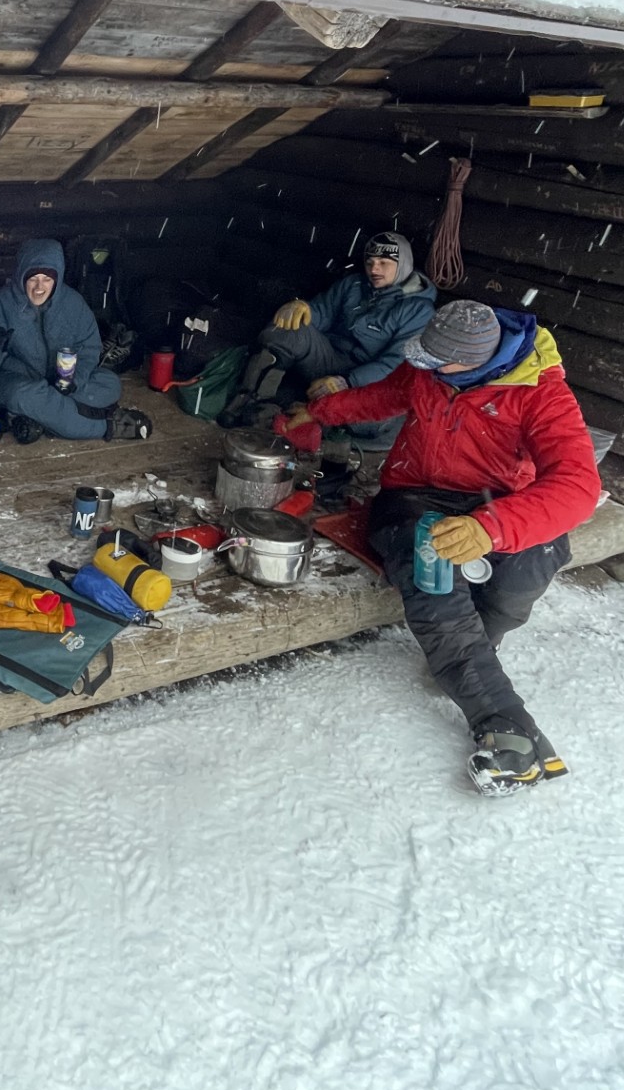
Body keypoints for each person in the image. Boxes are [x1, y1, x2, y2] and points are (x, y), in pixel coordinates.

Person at [278, 300, 601, 795]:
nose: (423, 367)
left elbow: (579, 486)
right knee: (431, 568)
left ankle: (474, 651)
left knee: (535, 558)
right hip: (414, 496)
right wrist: (319, 411)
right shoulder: (430, 365)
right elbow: (384, 396)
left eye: (436, 362)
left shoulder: (540, 394)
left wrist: (490, 527)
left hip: (499, 501)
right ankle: (502, 722)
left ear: (476, 361)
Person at [223, 232, 436, 438]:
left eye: (384, 262)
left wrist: (347, 382)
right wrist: (304, 309)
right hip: (329, 359)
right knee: (287, 328)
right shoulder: (353, 284)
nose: (374, 268)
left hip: (367, 380)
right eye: (370, 262)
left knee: (372, 424)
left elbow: (395, 364)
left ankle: (311, 418)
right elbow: (322, 313)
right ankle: (250, 401)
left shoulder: (419, 310)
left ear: (403, 266)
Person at [0, 238, 152, 443]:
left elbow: (90, 347)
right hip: (15, 380)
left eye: (47, 279)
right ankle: (105, 425)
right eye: (33, 279)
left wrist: (75, 380)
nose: (39, 287)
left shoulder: (72, 303)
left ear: (58, 278)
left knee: (110, 383)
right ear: (21, 275)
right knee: (21, 395)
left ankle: (38, 417)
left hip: (59, 380)